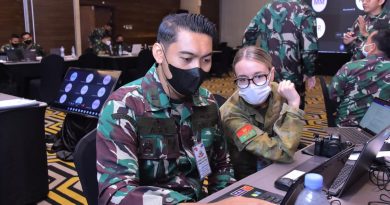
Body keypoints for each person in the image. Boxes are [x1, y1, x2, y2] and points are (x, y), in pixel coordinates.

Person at [96, 13, 273, 205]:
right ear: (159, 53)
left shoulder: (207, 102)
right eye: (187, 58)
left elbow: (222, 166)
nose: (196, 70)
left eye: (205, 60)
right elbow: (116, 193)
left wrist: (226, 198)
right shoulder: (125, 105)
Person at [220, 46, 305, 180]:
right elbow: (283, 153)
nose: (251, 85)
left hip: (285, 167)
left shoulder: (280, 92)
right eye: (242, 79)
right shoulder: (230, 115)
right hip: (251, 176)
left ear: (271, 74)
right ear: (236, 78)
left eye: (259, 76)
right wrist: (293, 105)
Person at [242, 0, 318, 110]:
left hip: (267, 74)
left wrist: (250, 62)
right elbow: (309, 48)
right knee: (293, 111)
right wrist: (310, 72)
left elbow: (249, 34)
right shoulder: (305, 10)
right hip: (293, 76)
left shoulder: (266, 8)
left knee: (269, 111)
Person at [329, 29, 390, 127]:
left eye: (367, 42)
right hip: (382, 132)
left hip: (347, 129)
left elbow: (332, 98)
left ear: (372, 47)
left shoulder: (350, 67)